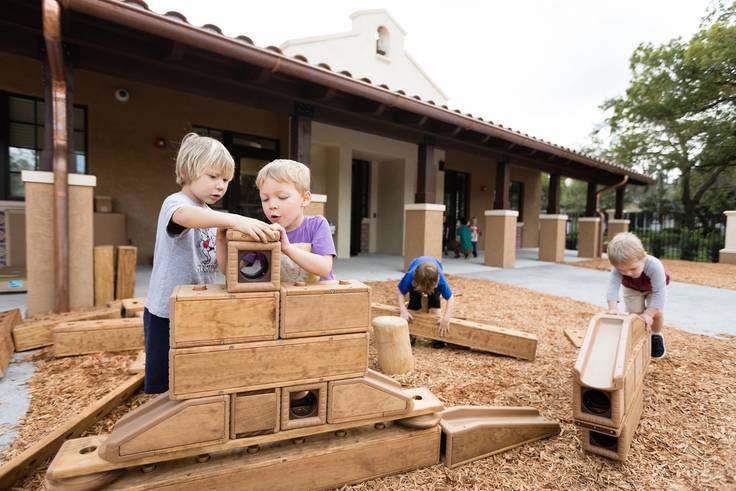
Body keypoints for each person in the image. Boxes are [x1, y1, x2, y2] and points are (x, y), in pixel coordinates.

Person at [143, 132, 273, 394]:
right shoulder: (176, 203)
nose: (220, 186)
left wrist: (238, 245)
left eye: (225, 180)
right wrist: (232, 220)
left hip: (198, 306)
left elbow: (223, 267)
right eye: (213, 177)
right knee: (162, 378)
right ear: (188, 171)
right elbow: (185, 217)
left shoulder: (212, 216)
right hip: (166, 311)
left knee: (191, 371)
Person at [256, 159, 336, 281]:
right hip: (281, 298)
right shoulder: (263, 232)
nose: (271, 205)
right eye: (265, 199)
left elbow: (324, 268)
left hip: (318, 297)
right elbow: (229, 270)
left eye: (282, 197)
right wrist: (221, 239)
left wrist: (287, 248)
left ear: (305, 199)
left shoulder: (317, 225)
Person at [606, 232, 670, 359]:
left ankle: (655, 335)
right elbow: (612, 288)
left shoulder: (654, 265)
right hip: (632, 288)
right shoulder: (619, 268)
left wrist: (649, 314)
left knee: (656, 313)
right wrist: (612, 309)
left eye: (633, 269)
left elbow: (659, 293)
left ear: (643, 257)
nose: (628, 273)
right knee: (635, 313)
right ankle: (638, 336)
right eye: (622, 271)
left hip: (653, 289)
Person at [397, 256, 455, 348]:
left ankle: (438, 337)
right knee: (414, 305)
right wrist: (403, 310)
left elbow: (451, 298)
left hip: (433, 282)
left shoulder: (440, 281)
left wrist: (446, 319)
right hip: (417, 281)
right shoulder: (410, 276)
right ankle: (411, 333)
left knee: (435, 305)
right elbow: (400, 292)